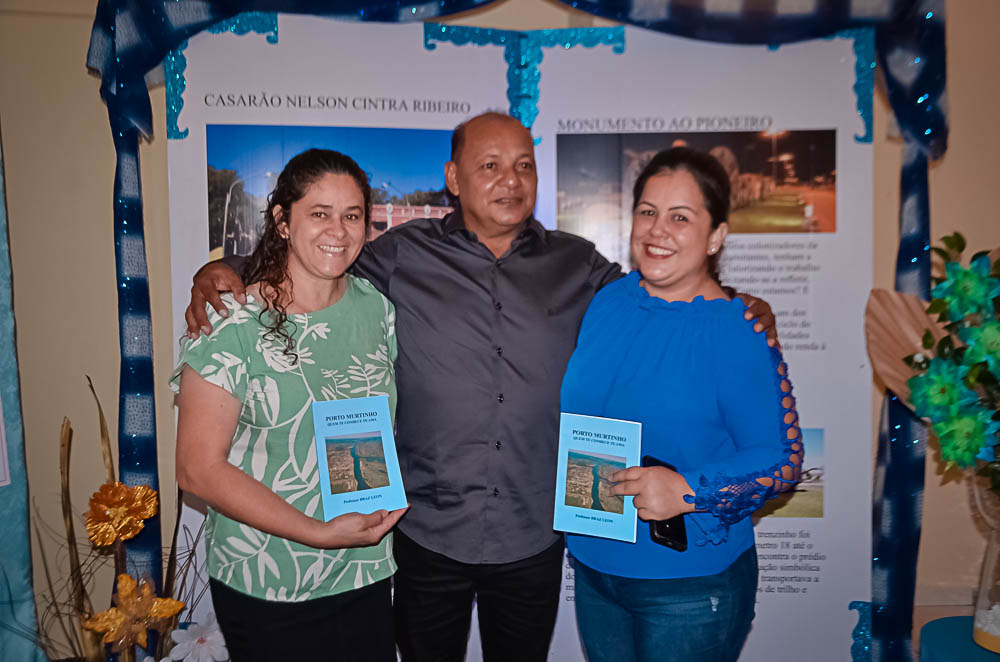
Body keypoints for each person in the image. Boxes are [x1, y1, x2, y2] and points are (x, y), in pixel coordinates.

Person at [186, 113, 778, 662]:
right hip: (423, 533)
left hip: (533, 536)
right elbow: (312, 259)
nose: (510, 179)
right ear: (453, 177)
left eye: (524, 164)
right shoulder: (396, 257)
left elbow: (663, 289)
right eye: (489, 165)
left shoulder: (581, 265)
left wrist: (736, 306)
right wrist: (218, 272)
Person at [560, 146, 803, 662]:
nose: (656, 230)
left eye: (680, 217)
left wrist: (687, 492)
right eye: (647, 212)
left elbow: (782, 462)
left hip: (688, 588)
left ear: (716, 236)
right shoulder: (608, 303)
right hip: (596, 570)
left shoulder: (736, 331)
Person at [172, 149, 407, 662]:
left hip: (363, 565)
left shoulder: (376, 310)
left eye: (352, 216)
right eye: (319, 213)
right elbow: (196, 470)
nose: (338, 231)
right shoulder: (230, 323)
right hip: (269, 577)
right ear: (282, 220)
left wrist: (348, 532)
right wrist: (318, 533)